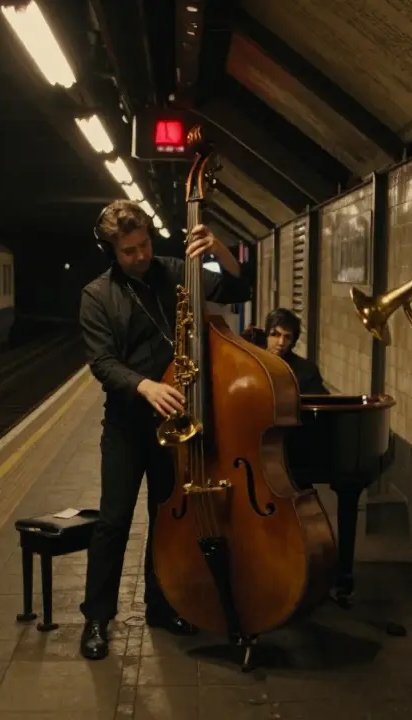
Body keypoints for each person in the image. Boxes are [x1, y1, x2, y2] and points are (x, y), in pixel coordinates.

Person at [78, 199, 251, 660]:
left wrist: (223, 250)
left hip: (178, 421)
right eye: (128, 251)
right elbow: (102, 362)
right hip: (127, 424)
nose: (140, 257)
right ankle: (97, 618)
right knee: (113, 521)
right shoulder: (97, 296)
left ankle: (161, 604)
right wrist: (145, 387)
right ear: (111, 253)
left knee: (165, 520)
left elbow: (240, 289)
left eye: (144, 245)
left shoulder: (177, 270)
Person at [244, 308, 328, 394]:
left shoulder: (307, 372)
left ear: (293, 341)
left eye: (287, 337)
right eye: (275, 335)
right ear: (267, 335)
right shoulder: (253, 365)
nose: (281, 343)